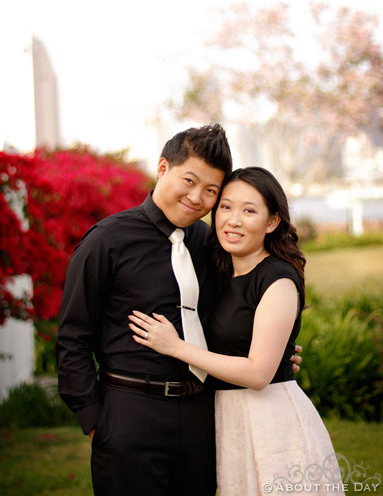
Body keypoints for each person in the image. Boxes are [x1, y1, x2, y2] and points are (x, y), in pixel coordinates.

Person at [56, 125, 302, 496]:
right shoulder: (107, 241)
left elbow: (239, 311)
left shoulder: (210, 243)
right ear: (162, 168)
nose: (196, 197)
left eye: (211, 191)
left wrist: (274, 353)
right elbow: (73, 339)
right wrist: (96, 421)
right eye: (189, 180)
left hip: (204, 416)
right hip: (129, 415)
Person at [129, 167, 344, 496]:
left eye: (249, 210)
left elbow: (259, 373)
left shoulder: (277, 278)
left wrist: (175, 346)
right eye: (226, 207)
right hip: (227, 420)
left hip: (270, 422)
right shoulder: (216, 271)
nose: (233, 220)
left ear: (272, 222)